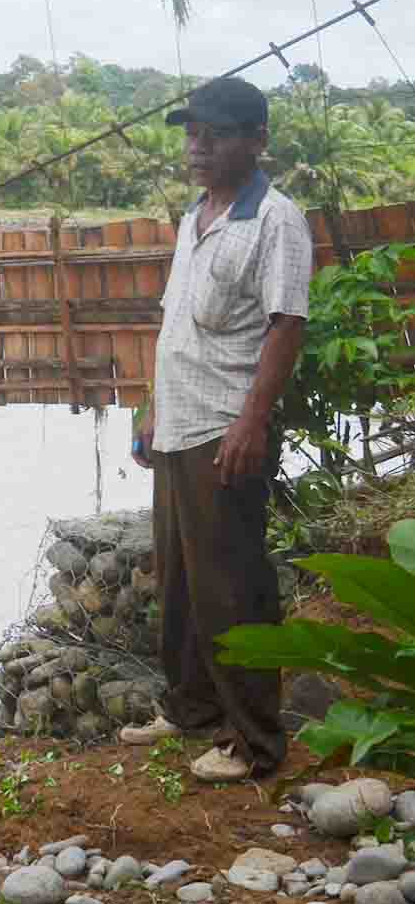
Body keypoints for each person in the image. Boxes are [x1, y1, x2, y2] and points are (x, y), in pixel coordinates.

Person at [119, 75, 311, 783]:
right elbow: (174, 323)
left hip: (225, 428)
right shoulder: (195, 216)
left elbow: (287, 324)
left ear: (256, 141)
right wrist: (149, 405)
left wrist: (251, 421)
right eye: (192, 132)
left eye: (217, 134)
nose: (198, 147)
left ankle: (255, 741)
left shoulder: (275, 220)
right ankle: (192, 709)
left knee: (232, 584)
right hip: (178, 422)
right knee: (179, 579)